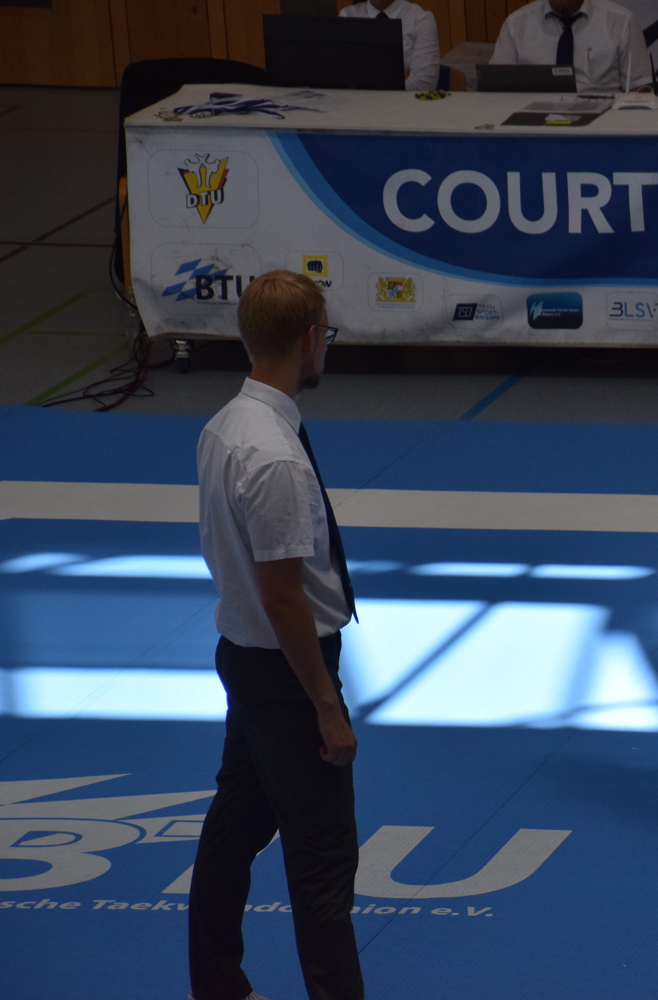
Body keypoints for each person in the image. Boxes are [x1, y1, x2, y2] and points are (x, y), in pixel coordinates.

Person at [190, 271, 362, 1000]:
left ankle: (215, 984)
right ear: (310, 338)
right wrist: (326, 705)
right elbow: (285, 598)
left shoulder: (225, 426)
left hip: (244, 657)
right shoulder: (277, 458)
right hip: (290, 673)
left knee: (236, 825)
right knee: (323, 860)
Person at [489, 0, 652, 92]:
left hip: (602, 125)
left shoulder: (621, 21)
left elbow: (640, 88)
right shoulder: (516, 24)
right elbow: (496, 89)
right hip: (533, 126)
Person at [340, 0, 441, 93]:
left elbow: (424, 85)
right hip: (357, 106)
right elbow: (339, 82)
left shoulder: (421, 19)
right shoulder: (346, 16)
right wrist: (397, 79)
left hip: (405, 105)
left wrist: (364, 82)